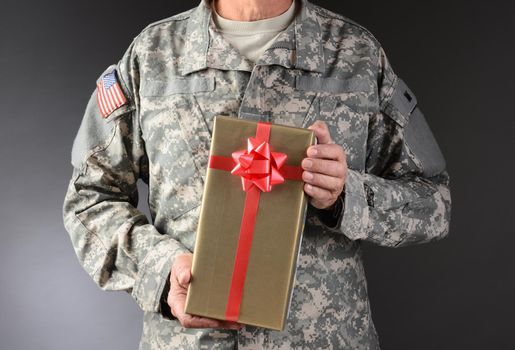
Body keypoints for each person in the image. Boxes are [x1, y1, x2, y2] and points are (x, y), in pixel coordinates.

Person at [62, 0, 452, 348]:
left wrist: (347, 195)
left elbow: (434, 200)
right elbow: (89, 198)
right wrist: (161, 269)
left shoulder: (355, 56)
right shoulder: (153, 56)